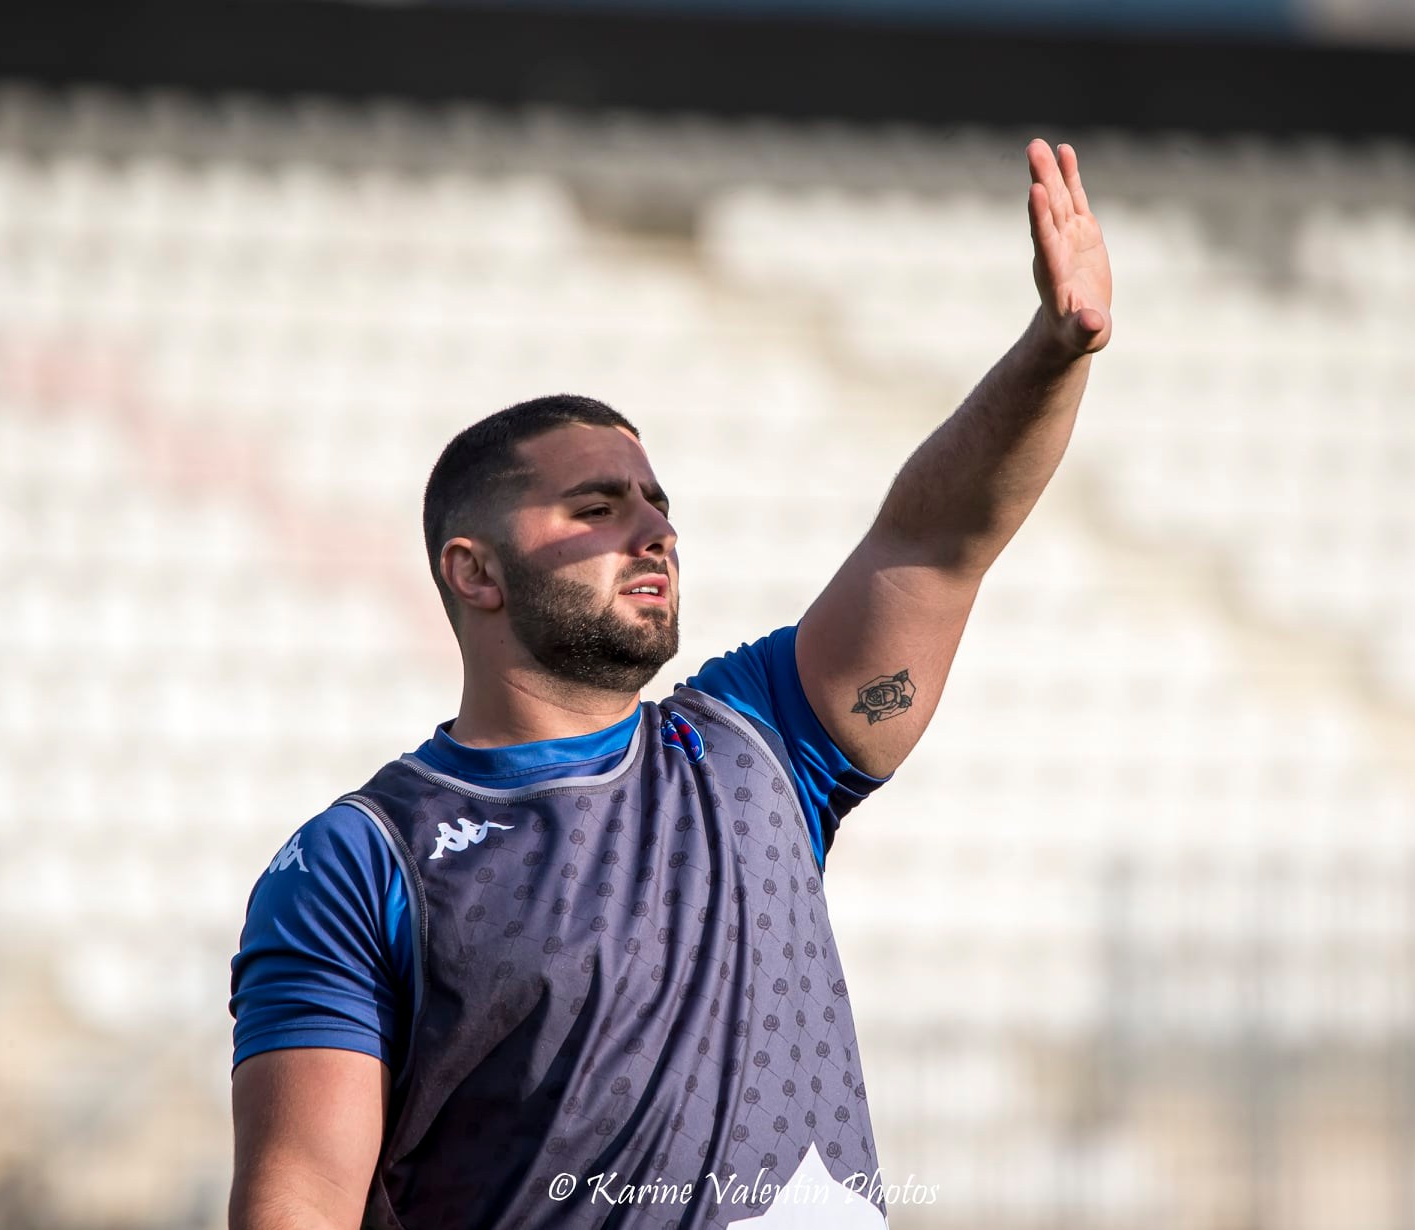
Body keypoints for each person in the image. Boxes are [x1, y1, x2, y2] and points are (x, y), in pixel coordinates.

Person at [228, 138, 1112, 1230]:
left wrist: (1053, 353)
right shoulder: (364, 859)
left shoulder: (758, 742)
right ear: (475, 572)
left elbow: (934, 542)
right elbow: (301, 1199)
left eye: (656, 504)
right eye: (597, 510)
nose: (654, 532)